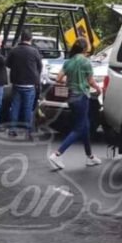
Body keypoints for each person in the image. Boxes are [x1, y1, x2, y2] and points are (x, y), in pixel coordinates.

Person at [48, 38, 102, 170]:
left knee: (85, 126)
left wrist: (69, 81)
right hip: (82, 97)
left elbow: (58, 79)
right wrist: (98, 89)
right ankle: (57, 154)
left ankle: (90, 156)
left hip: (71, 98)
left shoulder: (69, 62)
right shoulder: (86, 62)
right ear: (84, 48)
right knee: (79, 129)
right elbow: (91, 81)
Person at [5, 29, 42, 138]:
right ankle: (28, 131)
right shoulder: (34, 51)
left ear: (21, 38)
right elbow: (40, 66)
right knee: (28, 108)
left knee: (15, 107)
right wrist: (36, 76)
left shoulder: (14, 50)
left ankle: (12, 129)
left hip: (17, 83)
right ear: (31, 39)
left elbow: (8, 64)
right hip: (30, 84)